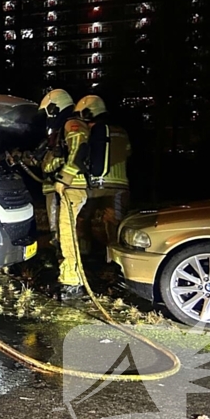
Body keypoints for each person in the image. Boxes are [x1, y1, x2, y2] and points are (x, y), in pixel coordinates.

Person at [38, 89, 89, 300]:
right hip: (67, 188)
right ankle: (68, 277)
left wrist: (63, 179)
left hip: (72, 188)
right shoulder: (61, 130)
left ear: (54, 107)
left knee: (68, 237)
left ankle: (72, 283)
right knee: (63, 235)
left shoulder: (71, 124)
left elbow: (79, 149)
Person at [76, 95, 131, 245]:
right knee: (115, 223)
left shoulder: (88, 131)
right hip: (120, 184)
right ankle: (114, 258)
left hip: (94, 184)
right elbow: (128, 152)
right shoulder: (121, 131)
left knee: (81, 218)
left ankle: (84, 251)